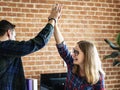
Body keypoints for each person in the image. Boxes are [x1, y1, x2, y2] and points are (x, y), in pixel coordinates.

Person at [0, 4, 62, 90]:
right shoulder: (4, 47)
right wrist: (52, 20)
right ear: (9, 33)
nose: (15, 39)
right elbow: (38, 42)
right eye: (15, 36)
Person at [54, 19, 105, 89]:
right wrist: (54, 23)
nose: (73, 54)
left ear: (87, 56)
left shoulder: (98, 76)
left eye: (76, 52)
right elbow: (61, 46)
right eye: (73, 51)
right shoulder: (71, 63)